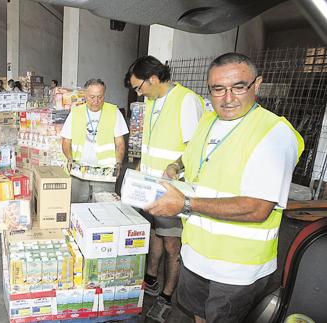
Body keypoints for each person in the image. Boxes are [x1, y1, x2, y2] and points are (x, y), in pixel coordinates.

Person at [146, 52, 304, 323]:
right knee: (198, 315)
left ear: (257, 85)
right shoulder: (209, 120)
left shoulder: (274, 134)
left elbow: (257, 208)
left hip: (237, 269)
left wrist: (184, 203)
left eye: (238, 87)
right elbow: (192, 154)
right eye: (218, 89)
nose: (228, 97)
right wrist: (176, 166)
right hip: (196, 254)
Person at [128, 55, 204, 322]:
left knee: (172, 243)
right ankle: (151, 279)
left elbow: (195, 150)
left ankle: (168, 294)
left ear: (154, 79)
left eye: (140, 87)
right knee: (154, 234)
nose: (139, 93)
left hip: (172, 190)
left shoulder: (186, 101)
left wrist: (174, 167)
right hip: (149, 186)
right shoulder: (153, 101)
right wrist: (140, 167)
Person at [61, 79, 129, 203]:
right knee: (77, 207)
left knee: (104, 210)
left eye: (100, 97)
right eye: (92, 97)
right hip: (79, 171)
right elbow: (66, 141)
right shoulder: (76, 113)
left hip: (104, 172)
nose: (96, 101)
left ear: (104, 95)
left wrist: (118, 163)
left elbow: (120, 143)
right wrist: (70, 158)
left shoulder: (114, 112)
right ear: (85, 95)